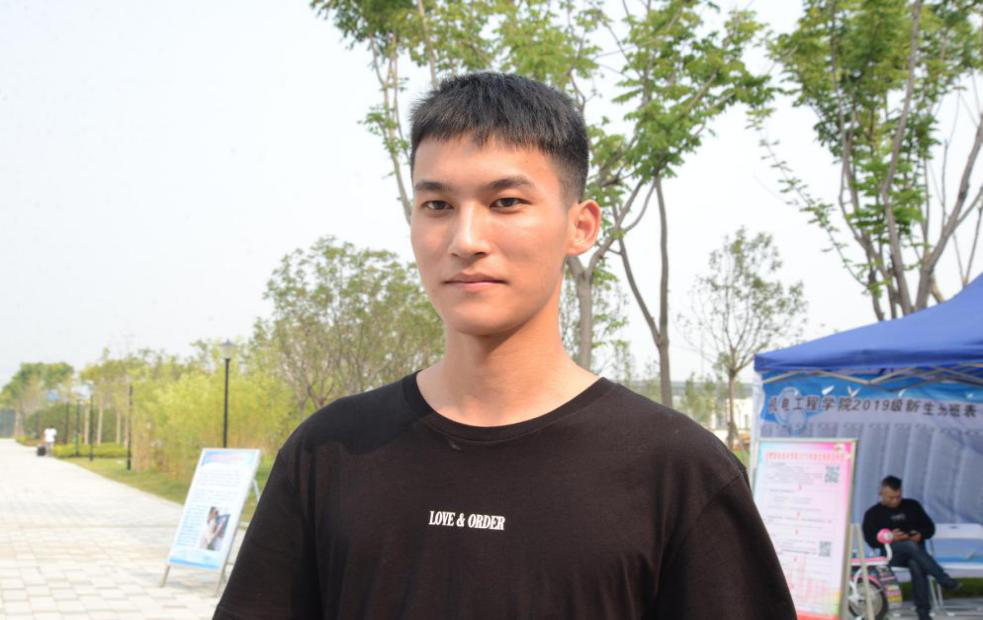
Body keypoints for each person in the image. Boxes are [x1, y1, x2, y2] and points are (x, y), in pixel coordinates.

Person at [215, 72, 795, 619]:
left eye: (506, 203)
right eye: (437, 205)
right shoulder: (330, 451)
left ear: (581, 226)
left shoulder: (677, 469)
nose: (466, 240)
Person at [862, 475, 959, 620]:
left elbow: (930, 528)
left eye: (898, 497)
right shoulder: (873, 513)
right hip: (891, 555)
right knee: (909, 545)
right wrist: (891, 537)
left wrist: (920, 535)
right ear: (881, 493)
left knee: (916, 564)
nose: (895, 501)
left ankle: (923, 614)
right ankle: (943, 579)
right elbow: (871, 541)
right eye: (891, 497)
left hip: (917, 554)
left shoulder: (912, 506)